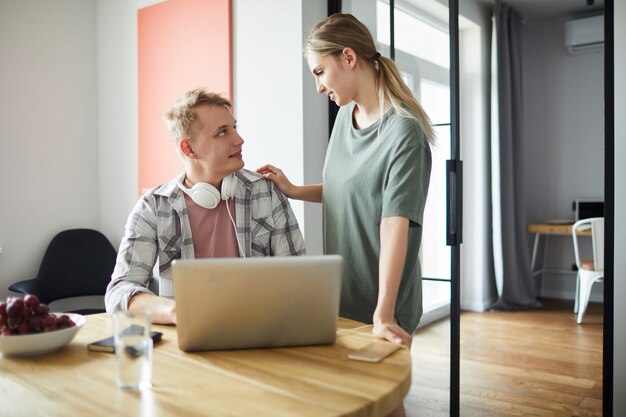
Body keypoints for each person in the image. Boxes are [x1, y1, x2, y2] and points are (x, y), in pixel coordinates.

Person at [258, 13, 434, 348]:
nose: (318, 86)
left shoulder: (404, 133)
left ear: (349, 57)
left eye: (320, 72)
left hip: (384, 300)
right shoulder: (343, 118)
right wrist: (294, 190)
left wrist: (384, 312)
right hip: (343, 294)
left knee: (386, 400)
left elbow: (395, 222)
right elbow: (351, 192)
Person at [106, 89, 306, 324]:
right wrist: (176, 312)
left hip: (261, 332)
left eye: (234, 128)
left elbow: (299, 280)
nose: (239, 139)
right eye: (222, 132)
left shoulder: (267, 192)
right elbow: (120, 291)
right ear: (188, 149)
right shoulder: (153, 207)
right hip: (189, 341)